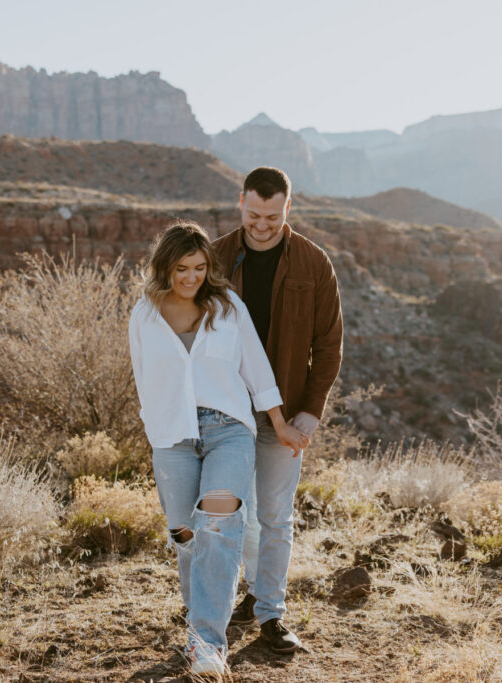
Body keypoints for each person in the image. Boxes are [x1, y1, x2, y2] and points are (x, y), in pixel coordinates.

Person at [128, 222, 307, 676]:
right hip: (173, 436)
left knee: (221, 524)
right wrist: (156, 431)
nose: (191, 277)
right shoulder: (144, 314)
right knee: (186, 536)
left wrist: (280, 424)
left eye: (200, 267)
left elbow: (256, 369)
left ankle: (208, 643)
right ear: (165, 267)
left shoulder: (227, 307)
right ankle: (202, 611)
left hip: (229, 428)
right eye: (182, 268)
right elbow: (143, 379)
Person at [214, 166, 344, 654]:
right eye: (253, 214)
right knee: (228, 515)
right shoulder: (218, 256)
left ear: (288, 208)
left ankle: (270, 612)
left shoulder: (314, 263)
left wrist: (310, 413)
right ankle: (232, 600)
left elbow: (328, 346)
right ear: (240, 202)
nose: (261, 225)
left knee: (274, 515)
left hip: (285, 417)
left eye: (272, 215)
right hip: (226, 413)